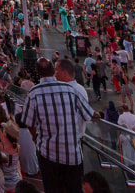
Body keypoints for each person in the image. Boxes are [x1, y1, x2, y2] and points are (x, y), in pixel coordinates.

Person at [20, 58, 97, 193]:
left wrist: (35, 138)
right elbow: (88, 114)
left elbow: (29, 123)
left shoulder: (34, 93)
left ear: (38, 73)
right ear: (53, 72)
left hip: (49, 155)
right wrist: (98, 114)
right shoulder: (70, 89)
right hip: (73, 155)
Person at [0, 120, 22, 193]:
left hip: (3, 185)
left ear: (5, 134)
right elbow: (7, 145)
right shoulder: (17, 147)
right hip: (15, 183)